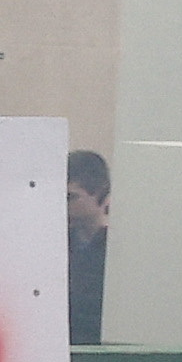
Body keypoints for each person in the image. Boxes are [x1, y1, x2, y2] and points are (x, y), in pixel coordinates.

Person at [64, 147, 112, 347]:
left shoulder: (118, 250)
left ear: (99, 194)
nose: (62, 204)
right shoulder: (56, 246)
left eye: (71, 197)